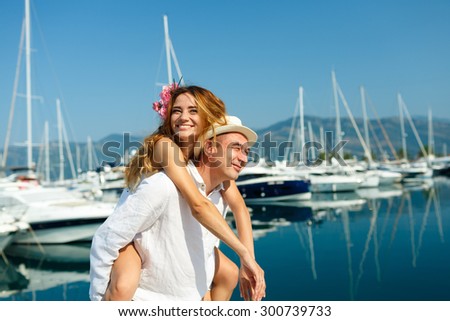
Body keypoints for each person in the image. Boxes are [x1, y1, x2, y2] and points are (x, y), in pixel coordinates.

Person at [89, 85, 265, 301]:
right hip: (134, 236)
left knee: (228, 274)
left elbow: (240, 209)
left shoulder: (213, 169)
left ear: (207, 119)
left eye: (193, 111)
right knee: (123, 285)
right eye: (176, 110)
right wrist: (244, 254)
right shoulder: (165, 148)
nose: (183, 117)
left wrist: (249, 262)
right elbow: (198, 204)